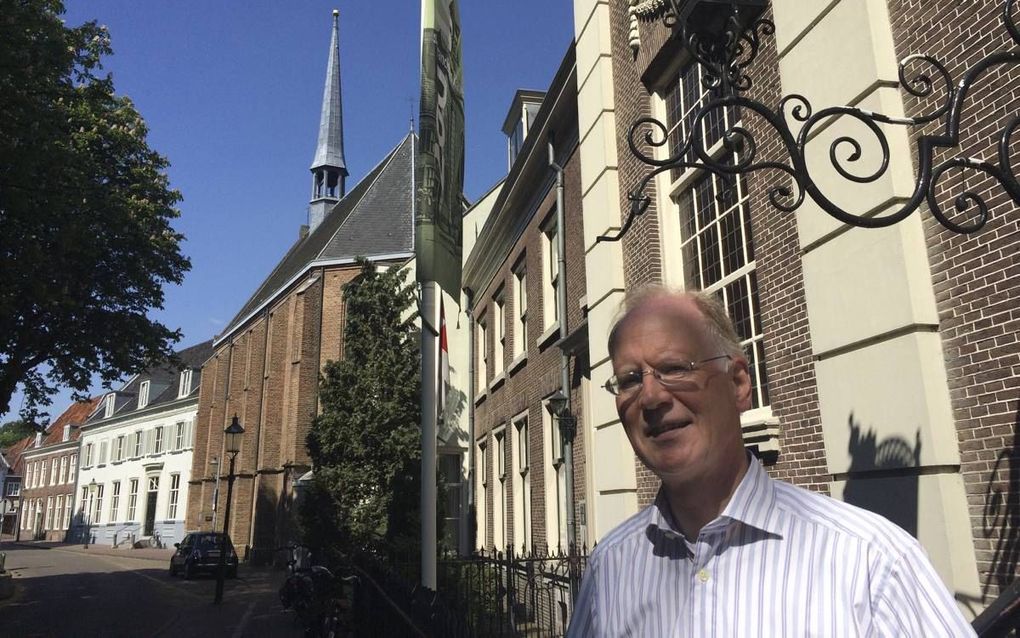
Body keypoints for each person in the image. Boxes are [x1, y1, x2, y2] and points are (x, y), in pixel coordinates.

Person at [567, 286, 974, 637]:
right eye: (630, 380)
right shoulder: (609, 569)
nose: (652, 397)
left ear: (740, 383)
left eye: (674, 368)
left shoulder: (871, 561)